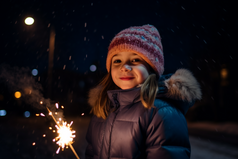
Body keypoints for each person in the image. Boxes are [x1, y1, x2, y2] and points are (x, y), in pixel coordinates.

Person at [85, 24, 202, 159]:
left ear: (151, 68)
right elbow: (91, 152)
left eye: (135, 60)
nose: (124, 67)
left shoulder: (160, 112)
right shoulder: (104, 107)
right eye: (117, 61)